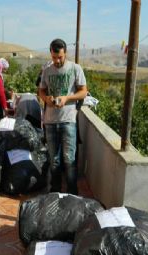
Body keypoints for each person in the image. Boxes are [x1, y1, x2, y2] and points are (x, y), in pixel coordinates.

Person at [38, 38, 87, 195]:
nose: (57, 60)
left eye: (59, 57)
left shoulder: (75, 68)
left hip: (68, 121)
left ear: (65, 53)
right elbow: (41, 91)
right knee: (54, 161)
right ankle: (55, 193)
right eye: (54, 57)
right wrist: (47, 99)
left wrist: (67, 98)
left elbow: (83, 92)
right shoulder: (47, 70)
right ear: (51, 54)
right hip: (50, 121)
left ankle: (72, 194)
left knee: (69, 160)